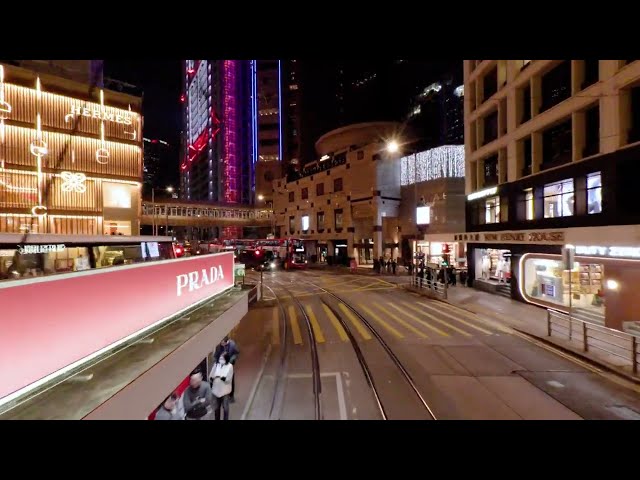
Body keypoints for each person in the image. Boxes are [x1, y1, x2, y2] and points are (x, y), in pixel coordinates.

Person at [214, 336, 239, 401]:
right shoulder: (219, 346)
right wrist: (217, 363)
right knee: (220, 379)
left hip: (229, 365)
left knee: (231, 380)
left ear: (226, 342)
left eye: (223, 343)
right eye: (221, 343)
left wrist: (231, 360)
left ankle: (231, 396)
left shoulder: (232, 345)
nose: (221, 344)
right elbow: (216, 355)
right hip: (220, 365)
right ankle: (221, 393)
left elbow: (236, 353)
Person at [209, 353, 234, 420]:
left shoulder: (230, 366)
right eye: (220, 358)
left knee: (225, 408)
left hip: (224, 391)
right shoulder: (216, 365)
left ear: (226, 359)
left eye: (222, 358)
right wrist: (212, 378)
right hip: (216, 391)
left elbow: (228, 379)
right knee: (216, 408)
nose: (221, 360)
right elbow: (211, 375)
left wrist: (220, 377)